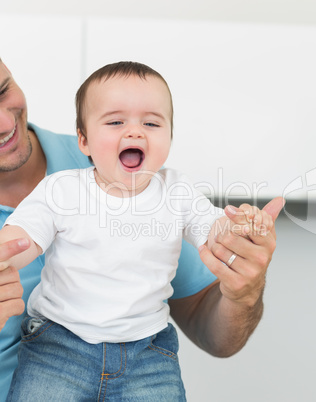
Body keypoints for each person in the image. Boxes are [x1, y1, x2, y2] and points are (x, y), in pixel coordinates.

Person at [0, 58, 284, 400]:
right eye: (116, 121)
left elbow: (213, 232)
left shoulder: (176, 192)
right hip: (59, 349)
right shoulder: (61, 189)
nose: (134, 132)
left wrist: (242, 232)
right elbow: (23, 239)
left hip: (147, 354)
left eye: (151, 123)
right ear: (85, 142)